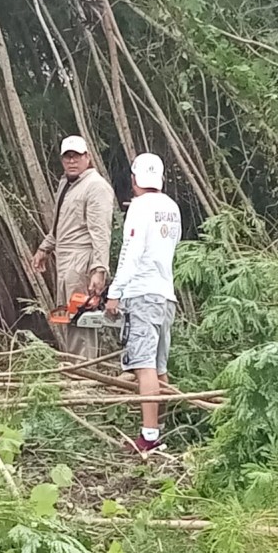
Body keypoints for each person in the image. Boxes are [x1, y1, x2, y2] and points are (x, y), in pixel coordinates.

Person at [105, 153, 181, 452]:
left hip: (143, 293)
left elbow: (131, 253)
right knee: (160, 366)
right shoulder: (171, 207)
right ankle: (160, 428)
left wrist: (115, 292)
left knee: (144, 365)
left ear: (134, 179)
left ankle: (148, 437)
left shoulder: (139, 208)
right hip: (165, 294)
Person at [32, 135, 114, 359]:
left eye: (76, 156)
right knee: (69, 318)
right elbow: (61, 224)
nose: (72, 161)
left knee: (81, 320)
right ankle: (77, 370)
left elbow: (101, 233)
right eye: (67, 157)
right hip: (65, 259)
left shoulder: (96, 187)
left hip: (82, 260)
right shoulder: (66, 184)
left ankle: (84, 376)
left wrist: (99, 270)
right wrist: (45, 248)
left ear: (87, 157)